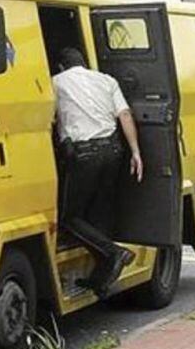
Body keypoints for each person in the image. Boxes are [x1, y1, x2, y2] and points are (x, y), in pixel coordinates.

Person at [52, 47, 144, 299]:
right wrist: (135, 152)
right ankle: (100, 279)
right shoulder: (107, 80)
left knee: (68, 218)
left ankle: (113, 253)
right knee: (98, 214)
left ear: (61, 66)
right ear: (84, 63)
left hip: (85, 154)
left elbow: (49, 118)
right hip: (114, 151)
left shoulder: (56, 83)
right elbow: (124, 114)